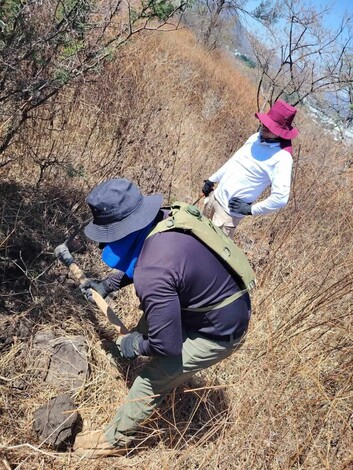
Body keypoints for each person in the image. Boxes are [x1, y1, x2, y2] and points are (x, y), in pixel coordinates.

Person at [73, 177, 251, 458]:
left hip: (220, 331)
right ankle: (123, 352)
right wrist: (107, 285)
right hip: (212, 300)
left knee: (151, 379)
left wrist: (137, 345)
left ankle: (112, 442)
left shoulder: (154, 272)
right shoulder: (165, 217)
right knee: (149, 323)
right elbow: (143, 256)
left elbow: (166, 345)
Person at [202, 100, 299, 238]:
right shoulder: (255, 137)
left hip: (228, 215)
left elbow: (280, 198)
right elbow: (234, 162)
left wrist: (250, 210)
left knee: (208, 256)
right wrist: (212, 179)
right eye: (265, 123)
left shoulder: (282, 158)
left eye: (271, 127)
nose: (265, 126)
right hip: (214, 199)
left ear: (281, 132)